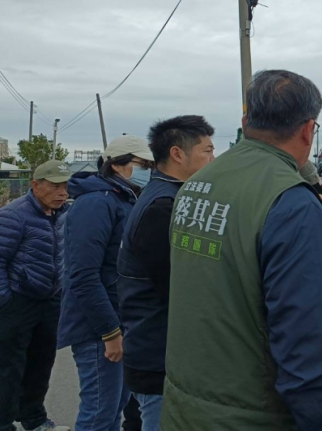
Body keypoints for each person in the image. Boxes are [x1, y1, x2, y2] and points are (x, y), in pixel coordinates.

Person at [159, 69, 322, 431]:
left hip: (182, 409)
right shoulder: (290, 202)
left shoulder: (194, 185)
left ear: (246, 121)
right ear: (308, 130)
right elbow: (309, 356)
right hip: (251, 416)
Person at [117, 116, 215, 431]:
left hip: (165, 354)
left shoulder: (175, 198)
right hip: (160, 359)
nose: (213, 160)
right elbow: (180, 289)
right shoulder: (161, 208)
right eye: (207, 151)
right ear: (177, 154)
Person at [58, 136, 154, 431]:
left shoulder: (121, 198)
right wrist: (110, 332)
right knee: (99, 414)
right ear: (117, 165)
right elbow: (84, 274)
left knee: (114, 412)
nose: (147, 170)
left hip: (118, 320)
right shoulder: (96, 203)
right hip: (98, 329)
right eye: (142, 164)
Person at [0, 160, 73, 431]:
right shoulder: (14, 215)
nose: (62, 192)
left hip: (50, 300)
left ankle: (34, 418)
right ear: (36, 185)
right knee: (8, 367)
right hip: (18, 301)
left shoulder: (63, 213)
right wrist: (5, 301)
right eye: (55, 186)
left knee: (42, 363)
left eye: (65, 185)